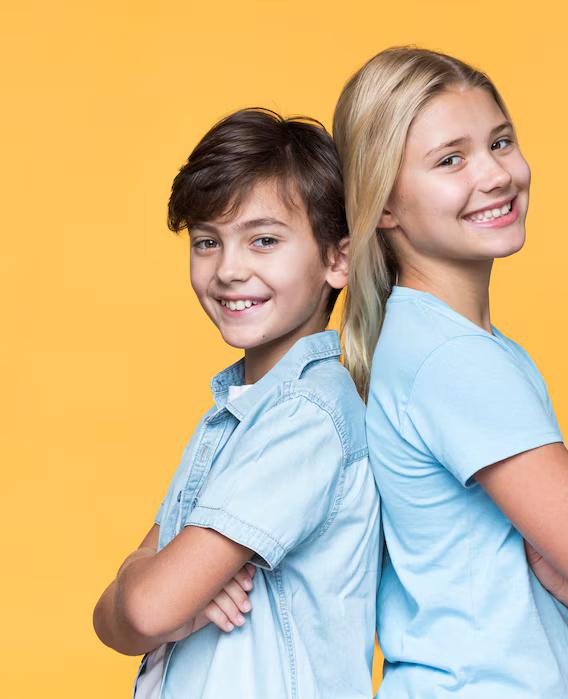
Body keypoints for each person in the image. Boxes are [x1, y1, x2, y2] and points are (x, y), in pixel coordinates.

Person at [333, 47, 568, 698]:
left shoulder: (431, 341)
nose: (495, 173)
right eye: (450, 159)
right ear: (384, 204)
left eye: (500, 142)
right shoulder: (452, 360)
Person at [93, 108, 381, 698]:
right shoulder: (237, 415)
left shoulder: (307, 414)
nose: (228, 269)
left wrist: (146, 583)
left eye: (264, 240)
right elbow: (115, 621)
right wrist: (142, 578)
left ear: (338, 260)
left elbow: (143, 612)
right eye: (207, 242)